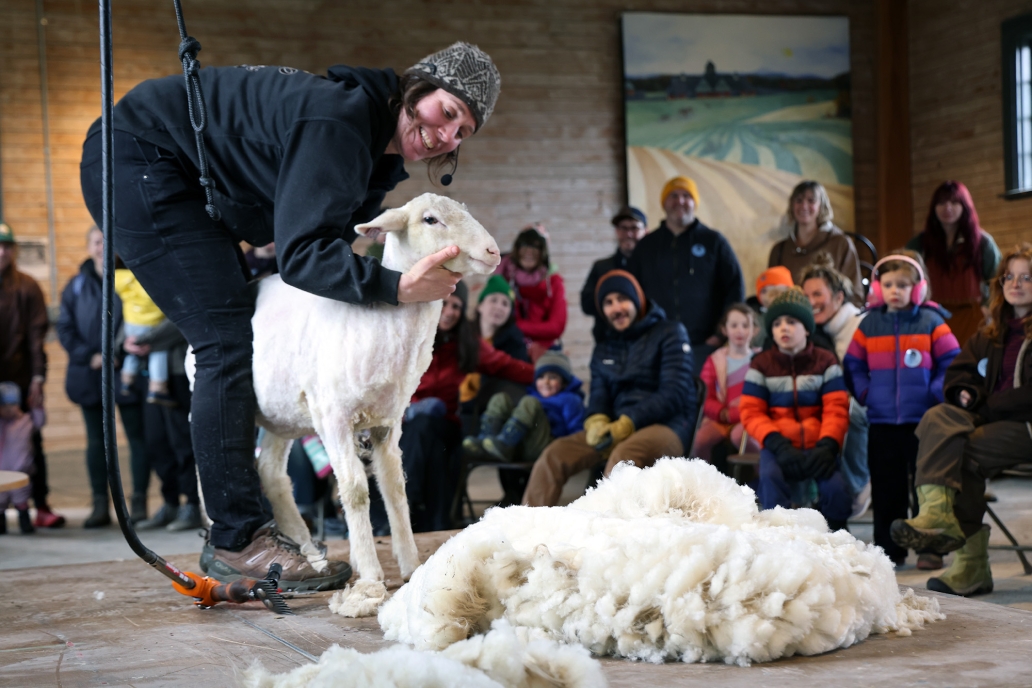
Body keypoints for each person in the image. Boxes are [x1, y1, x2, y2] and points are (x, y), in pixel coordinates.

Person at [79, 42, 501, 588]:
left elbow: (324, 247)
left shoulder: (374, 153)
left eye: (463, 131)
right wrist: (396, 286)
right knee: (224, 336)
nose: (447, 135)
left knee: (232, 321)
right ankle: (236, 539)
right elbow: (302, 256)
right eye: (446, 112)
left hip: (172, 168)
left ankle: (250, 527)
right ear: (416, 88)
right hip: (137, 154)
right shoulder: (342, 122)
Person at [891, 243, 1032, 596]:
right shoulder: (991, 333)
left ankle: (968, 558)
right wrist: (964, 392)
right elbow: (959, 373)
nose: (1016, 284)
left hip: (1025, 427)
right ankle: (937, 517)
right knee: (939, 416)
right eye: (1009, 277)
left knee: (963, 450)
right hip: (990, 420)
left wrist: (986, 406)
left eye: (1027, 277)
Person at [523, 270, 696, 507]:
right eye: (608, 302)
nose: (616, 308)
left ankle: (608, 527)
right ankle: (527, 523)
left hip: (668, 426)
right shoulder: (604, 347)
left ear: (637, 299)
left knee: (623, 457)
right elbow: (599, 395)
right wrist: (596, 421)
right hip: (615, 428)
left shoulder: (670, 332)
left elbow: (674, 392)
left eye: (622, 299)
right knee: (554, 455)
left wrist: (628, 422)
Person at [371, 281, 534, 532]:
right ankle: (435, 523)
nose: (449, 311)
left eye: (456, 306)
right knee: (432, 447)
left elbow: (507, 365)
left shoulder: (467, 343)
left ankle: (401, 509)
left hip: (447, 424)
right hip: (406, 423)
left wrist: (550, 374)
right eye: (444, 304)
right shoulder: (411, 338)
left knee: (426, 428)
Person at [843, 251, 960, 566]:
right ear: (878, 288)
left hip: (922, 421)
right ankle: (890, 549)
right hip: (882, 422)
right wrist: (866, 393)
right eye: (888, 284)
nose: (895, 290)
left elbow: (951, 361)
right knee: (886, 488)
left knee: (925, 486)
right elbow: (853, 363)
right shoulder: (869, 324)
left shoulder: (931, 322)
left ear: (917, 288)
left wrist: (934, 393)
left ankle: (929, 548)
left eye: (903, 285)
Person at [56, 226, 151, 527]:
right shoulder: (75, 286)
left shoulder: (132, 279)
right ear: (89, 247)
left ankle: (139, 503)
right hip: (90, 375)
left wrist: (117, 353)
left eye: (108, 242)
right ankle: (100, 504)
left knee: (137, 439)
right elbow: (65, 328)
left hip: (126, 372)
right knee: (96, 442)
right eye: (97, 242)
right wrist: (91, 356)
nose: (103, 248)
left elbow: (142, 317)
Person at [740, 288, 852, 530]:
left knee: (836, 490)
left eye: (792, 321)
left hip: (818, 444)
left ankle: (836, 534)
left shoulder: (825, 361)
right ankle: (777, 535)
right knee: (770, 479)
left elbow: (836, 408)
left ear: (807, 328)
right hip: (778, 445)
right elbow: (751, 411)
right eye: (777, 323)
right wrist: (777, 444)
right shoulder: (761, 364)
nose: (784, 328)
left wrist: (828, 445)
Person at [628, 176, 745, 372]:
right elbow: (632, 292)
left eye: (686, 196)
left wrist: (720, 334)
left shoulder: (714, 241)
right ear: (664, 203)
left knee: (704, 393)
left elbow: (735, 287)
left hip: (705, 345)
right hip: (657, 345)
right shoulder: (646, 246)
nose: (680, 201)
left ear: (694, 203)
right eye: (673, 195)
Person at [0, 222, 64, 529]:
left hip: (22, 380)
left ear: (13, 250)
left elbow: (37, 338)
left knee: (31, 445)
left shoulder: (28, 287)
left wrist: (38, 378)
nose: (2, 252)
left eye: (7, 246)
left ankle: (41, 505)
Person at [800, 253, 872, 522]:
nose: (811, 302)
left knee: (847, 410)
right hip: (838, 401)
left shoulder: (861, 324)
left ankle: (857, 485)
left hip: (868, 404)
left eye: (818, 294)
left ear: (839, 297)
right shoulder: (817, 332)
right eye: (806, 296)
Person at [125, 320, 202, 531]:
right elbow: (129, 317)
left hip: (177, 372)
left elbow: (179, 319)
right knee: (156, 442)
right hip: (148, 374)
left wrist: (145, 340)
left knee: (183, 441)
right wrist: (125, 342)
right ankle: (170, 502)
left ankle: (193, 503)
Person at [906, 181, 1001, 346]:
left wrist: (987, 307)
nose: (947, 207)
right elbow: (905, 273)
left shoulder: (982, 242)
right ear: (934, 207)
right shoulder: (920, 243)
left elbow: (998, 278)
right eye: (941, 202)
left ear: (965, 206)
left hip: (972, 317)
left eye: (954, 202)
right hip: (932, 316)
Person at [464, 350, 585, 465]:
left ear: (564, 382)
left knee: (530, 402)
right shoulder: (532, 393)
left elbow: (576, 430)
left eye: (552, 377)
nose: (546, 382)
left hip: (547, 447)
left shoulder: (570, 399)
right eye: (541, 377)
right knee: (500, 399)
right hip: (521, 444)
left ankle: (505, 443)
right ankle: (487, 441)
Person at [767, 180, 863, 304]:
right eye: (799, 200)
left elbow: (854, 295)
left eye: (811, 200)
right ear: (792, 205)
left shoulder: (841, 244)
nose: (804, 206)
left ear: (821, 206)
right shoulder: (779, 250)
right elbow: (769, 294)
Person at [691, 304, 761, 468]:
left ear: (755, 330)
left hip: (748, 418)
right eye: (734, 325)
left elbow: (761, 397)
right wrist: (722, 413)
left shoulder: (761, 359)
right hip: (720, 418)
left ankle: (759, 476)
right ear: (724, 329)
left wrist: (736, 414)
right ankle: (703, 480)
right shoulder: (714, 360)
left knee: (740, 437)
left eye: (745, 325)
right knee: (699, 441)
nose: (740, 330)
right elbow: (706, 395)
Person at [496, 225, 567, 360]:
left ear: (543, 252)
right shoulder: (503, 279)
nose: (529, 251)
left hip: (545, 351)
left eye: (535, 247)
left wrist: (517, 326)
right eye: (525, 245)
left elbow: (556, 327)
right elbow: (497, 321)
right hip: (508, 348)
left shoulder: (553, 282)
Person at [581, 206, 647, 342]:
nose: (629, 234)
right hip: (609, 340)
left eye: (634, 228)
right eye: (623, 228)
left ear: (645, 231)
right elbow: (586, 304)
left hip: (647, 338)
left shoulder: (653, 267)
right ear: (617, 231)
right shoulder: (601, 267)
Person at [114, 268, 174, 406]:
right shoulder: (149, 279)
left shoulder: (123, 279)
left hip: (131, 323)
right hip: (151, 323)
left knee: (132, 351)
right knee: (159, 351)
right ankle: (158, 388)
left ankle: (127, 381)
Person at [0, 382, 40, 534]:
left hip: (21, 470)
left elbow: (40, 421)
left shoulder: (26, 421)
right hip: (1, 473)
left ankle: (25, 523)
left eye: (12, 404)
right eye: (3, 405)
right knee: (0, 500)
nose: (8, 409)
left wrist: (37, 406)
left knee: (22, 499)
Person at [748, 266, 795, 348]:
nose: (768, 295)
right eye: (763, 291)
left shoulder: (796, 316)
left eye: (774, 290)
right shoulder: (755, 318)